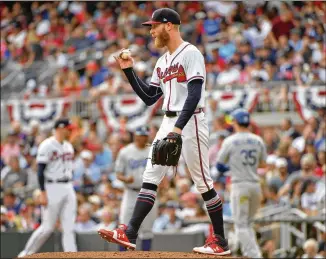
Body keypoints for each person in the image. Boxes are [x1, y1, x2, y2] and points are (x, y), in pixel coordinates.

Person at [98, 8, 230, 255]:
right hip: (168, 120)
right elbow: (149, 97)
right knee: (151, 176)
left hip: (190, 120)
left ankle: (220, 242)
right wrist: (128, 71)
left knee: (203, 182)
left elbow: (194, 94)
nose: (151, 31)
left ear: (169, 26)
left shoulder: (190, 53)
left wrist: (178, 128)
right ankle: (130, 232)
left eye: (154, 26)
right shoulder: (162, 61)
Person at [18, 118, 77, 257]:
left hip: (68, 186)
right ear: (60, 128)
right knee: (47, 228)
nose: (70, 131)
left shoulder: (68, 146)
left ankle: (72, 255)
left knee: (69, 227)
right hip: (52, 187)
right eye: (68, 128)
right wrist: (43, 192)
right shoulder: (47, 145)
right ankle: (26, 253)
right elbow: (40, 170)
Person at [216, 108, 267, 258]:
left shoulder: (230, 140)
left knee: (240, 225)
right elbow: (263, 164)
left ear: (235, 122)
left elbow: (219, 165)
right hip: (255, 185)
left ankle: (254, 255)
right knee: (248, 223)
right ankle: (249, 253)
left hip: (240, 185)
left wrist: (233, 167)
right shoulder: (258, 140)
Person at [115, 126, 157, 251]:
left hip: (149, 191)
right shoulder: (126, 151)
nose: (141, 138)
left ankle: (145, 255)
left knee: (147, 228)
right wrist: (125, 179)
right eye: (139, 136)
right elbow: (118, 173)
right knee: (125, 226)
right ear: (135, 136)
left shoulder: (152, 150)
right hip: (131, 192)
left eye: (144, 136)